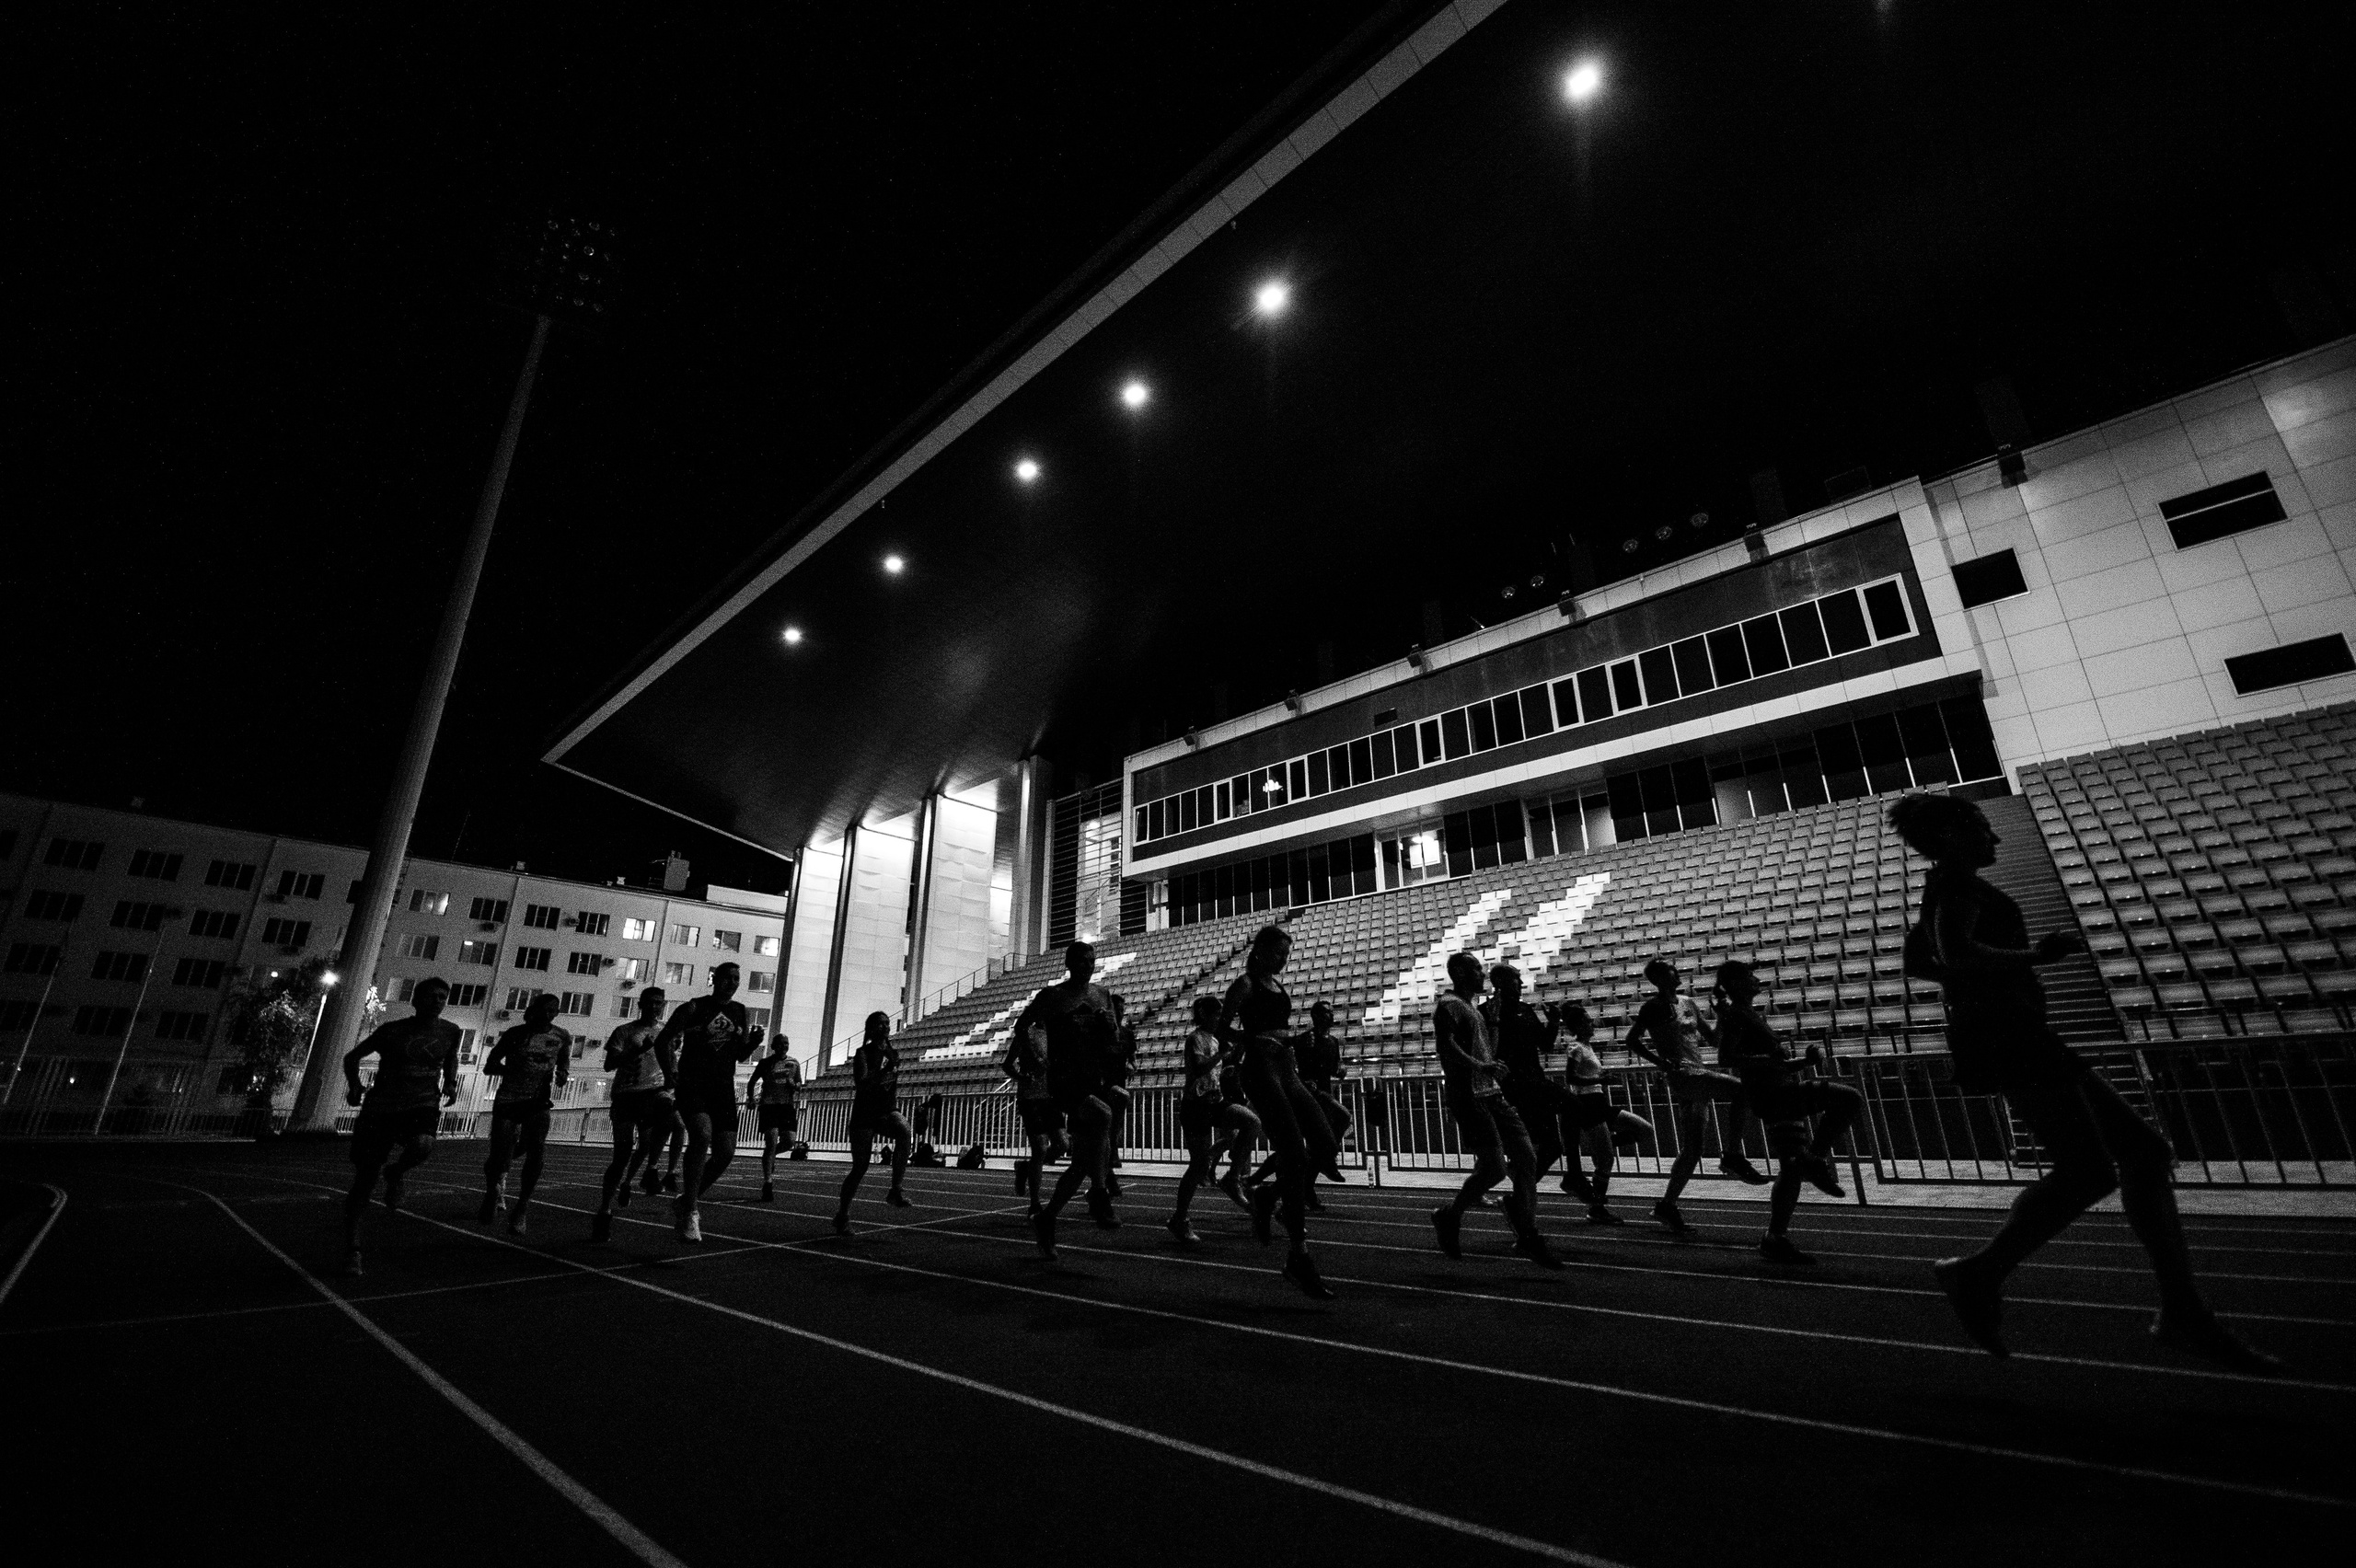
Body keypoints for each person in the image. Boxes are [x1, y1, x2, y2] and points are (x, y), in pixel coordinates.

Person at [1890, 792, 2276, 1370]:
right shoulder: (1955, 886)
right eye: (1983, 828)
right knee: (2100, 1166)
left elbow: (1924, 961)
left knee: (2139, 1155)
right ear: (1951, 834)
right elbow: (1955, 951)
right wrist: (2035, 956)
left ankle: (2175, 1307)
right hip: (2005, 1033)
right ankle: (1983, 1272)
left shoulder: (1945, 887)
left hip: (2009, 1029)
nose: (1995, 839)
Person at [1711, 961, 1860, 1264]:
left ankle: (1775, 1237)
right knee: (1849, 1098)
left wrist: (1802, 1063)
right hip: (1775, 1095)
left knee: (1790, 1170)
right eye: (1749, 975)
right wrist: (1770, 1059)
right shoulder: (1736, 1015)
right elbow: (1727, 1057)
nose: (1756, 978)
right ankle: (1815, 1159)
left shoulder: (1749, 1014)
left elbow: (1770, 1062)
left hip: (1777, 1091)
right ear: (1738, 983)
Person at [1217, 926, 1337, 1297]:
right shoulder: (1246, 984)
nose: (1285, 959)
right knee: (1294, 1155)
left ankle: (1268, 1196)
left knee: (1326, 1142)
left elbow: (1276, 1026)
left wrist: (1291, 1039)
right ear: (1262, 950)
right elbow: (1222, 1028)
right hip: (1262, 1070)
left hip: (1287, 1068)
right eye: (1280, 953)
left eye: (1288, 954)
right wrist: (1255, 1039)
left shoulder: (1274, 984)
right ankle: (1299, 1258)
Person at [1429, 953, 1561, 1270]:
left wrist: (1497, 1024)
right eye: (1476, 968)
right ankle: (1450, 1215)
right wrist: (1481, 1065)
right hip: (1468, 1094)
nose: (1482, 973)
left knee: (1527, 1158)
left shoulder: (1473, 1008)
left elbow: (1488, 1046)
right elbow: (1446, 1047)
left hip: (1491, 1092)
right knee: (1495, 1170)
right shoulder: (1449, 1005)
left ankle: (1528, 1234)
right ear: (1459, 972)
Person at [1624, 958, 1769, 1237]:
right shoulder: (1653, 1007)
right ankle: (1733, 1154)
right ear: (1657, 979)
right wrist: (1660, 1061)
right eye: (1670, 971)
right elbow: (1632, 1040)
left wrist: (1724, 1016)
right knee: (1742, 1089)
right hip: (1683, 1076)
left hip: (1698, 1072)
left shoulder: (1687, 1002)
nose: (1676, 973)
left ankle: (1667, 1205)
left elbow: (1713, 1040)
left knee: (1693, 1149)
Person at [339, 975, 462, 1275]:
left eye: (443, 997)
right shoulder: (392, 1031)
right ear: (416, 1000)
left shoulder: (451, 1031)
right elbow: (352, 1056)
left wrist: (450, 1082)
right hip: (382, 1108)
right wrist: (355, 1086)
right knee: (365, 1180)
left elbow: (450, 1058)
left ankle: (396, 1171)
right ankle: (352, 1248)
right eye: (431, 995)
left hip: (422, 1104)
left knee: (423, 1145)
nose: (437, 1001)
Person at [1021, 940, 1126, 1256]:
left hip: (1092, 1077)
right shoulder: (1052, 996)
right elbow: (1022, 1025)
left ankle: (1047, 1218)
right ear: (1068, 963)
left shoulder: (1102, 995)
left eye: (1092, 961)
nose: (1088, 966)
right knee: (1105, 1114)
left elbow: (1114, 1042)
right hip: (1065, 1081)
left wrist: (1111, 1028)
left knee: (1081, 1163)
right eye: (1081, 961)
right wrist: (1038, 1057)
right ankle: (1098, 1192)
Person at [655, 962, 763, 1244]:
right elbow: (663, 1040)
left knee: (726, 1153)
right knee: (701, 1135)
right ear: (715, 979)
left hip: (723, 1087)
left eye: (737, 978)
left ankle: (686, 1199)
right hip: (694, 1083)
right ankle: (691, 1209)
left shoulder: (741, 1011)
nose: (732, 982)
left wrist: (753, 1043)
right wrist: (669, 1073)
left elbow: (739, 1056)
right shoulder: (693, 1007)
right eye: (727, 977)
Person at [1483, 964, 1597, 1209]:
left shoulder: (1525, 1010)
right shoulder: (1486, 1013)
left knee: (1556, 1139)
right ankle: (1563, 1179)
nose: (1521, 984)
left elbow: (1544, 1045)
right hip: (1514, 1087)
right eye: (1516, 980)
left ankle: (1525, 1193)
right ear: (1500, 982)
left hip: (1536, 1081)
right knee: (1564, 1119)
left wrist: (1553, 1022)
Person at [1168, 995, 1261, 1243]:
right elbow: (1199, 1068)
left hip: (1215, 1101)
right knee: (1197, 1167)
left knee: (1251, 1122)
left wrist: (1234, 1054)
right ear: (1205, 1015)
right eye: (1217, 1014)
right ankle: (1180, 1219)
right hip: (1195, 1105)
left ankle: (1233, 1177)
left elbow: (1224, 1060)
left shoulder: (1216, 1038)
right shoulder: (1195, 1039)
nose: (1221, 1018)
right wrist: (1221, 1055)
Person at [479, 992, 571, 1236]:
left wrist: (562, 1074)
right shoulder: (515, 1034)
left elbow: (563, 1063)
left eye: (553, 1011)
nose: (548, 1015)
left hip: (538, 1101)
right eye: (544, 1010)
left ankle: (521, 1208)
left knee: (536, 1150)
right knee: (499, 1155)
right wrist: (511, 1070)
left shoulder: (561, 1036)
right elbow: (490, 1066)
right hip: (509, 1099)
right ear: (534, 1010)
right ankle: (493, 1192)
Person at [594, 987, 680, 1241]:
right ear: (640, 1003)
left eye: (660, 1003)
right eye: (651, 1002)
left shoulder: (668, 1032)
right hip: (626, 1095)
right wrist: (638, 1050)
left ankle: (655, 1171)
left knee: (674, 1121)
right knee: (622, 1156)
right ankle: (605, 1209)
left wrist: (674, 1078)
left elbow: (672, 1060)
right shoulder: (624, 1031)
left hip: (653, 1093)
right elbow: (610, 1065)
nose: (655, 1007)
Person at [1555, 1003, 1653, 1225]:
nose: (1592, 1023)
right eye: (1588, 1020)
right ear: (1579, 1025)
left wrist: (1601, 1078)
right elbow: (1570, 1079)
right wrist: (1599, 1079)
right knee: (1606, 1160)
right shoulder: (1576, 1047)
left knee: (1645, 1130)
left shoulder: (1589, 1048)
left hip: (1599, 1102)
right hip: (1587, 1104)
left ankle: (1603, 1145)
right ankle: (1596, 1208)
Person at [833, 1012, 915, 1232]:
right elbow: (862, 1084)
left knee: (905, 1131)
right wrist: (884, 1071)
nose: (885, 1027)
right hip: (865, 1113)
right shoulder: (863, 1053)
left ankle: (895, 1189)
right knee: (860, 1167)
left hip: (886, 1110)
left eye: (887, 1023)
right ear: (870, 1028)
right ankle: (843, 1215)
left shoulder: (892, 1052)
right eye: (880, 1023)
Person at [1001, 996, 1067, 1216]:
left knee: (1062, 1145)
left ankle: (1025, 1168)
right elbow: (1007, 1065)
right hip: (1030, 1098)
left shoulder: (1056, 1036)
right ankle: (1035, 1203)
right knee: (1039, 1147)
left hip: (1050, 1096)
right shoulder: (1025, 1035)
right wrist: (1021, 1077)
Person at [746, 1035, 803, 1201]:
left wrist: (795, 1085)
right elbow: (752, 1082)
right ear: (773, 1046)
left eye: (786, 1043)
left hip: (786, 1106)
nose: (783, 1046)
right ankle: (768, 1183)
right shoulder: (765, 1063)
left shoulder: (794, 1063)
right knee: (770, 1141)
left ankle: (770, 1156)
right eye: (780, 1044)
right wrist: (751, 1099)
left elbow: (800, 1083)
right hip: (769, 1105)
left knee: (789, 1142)